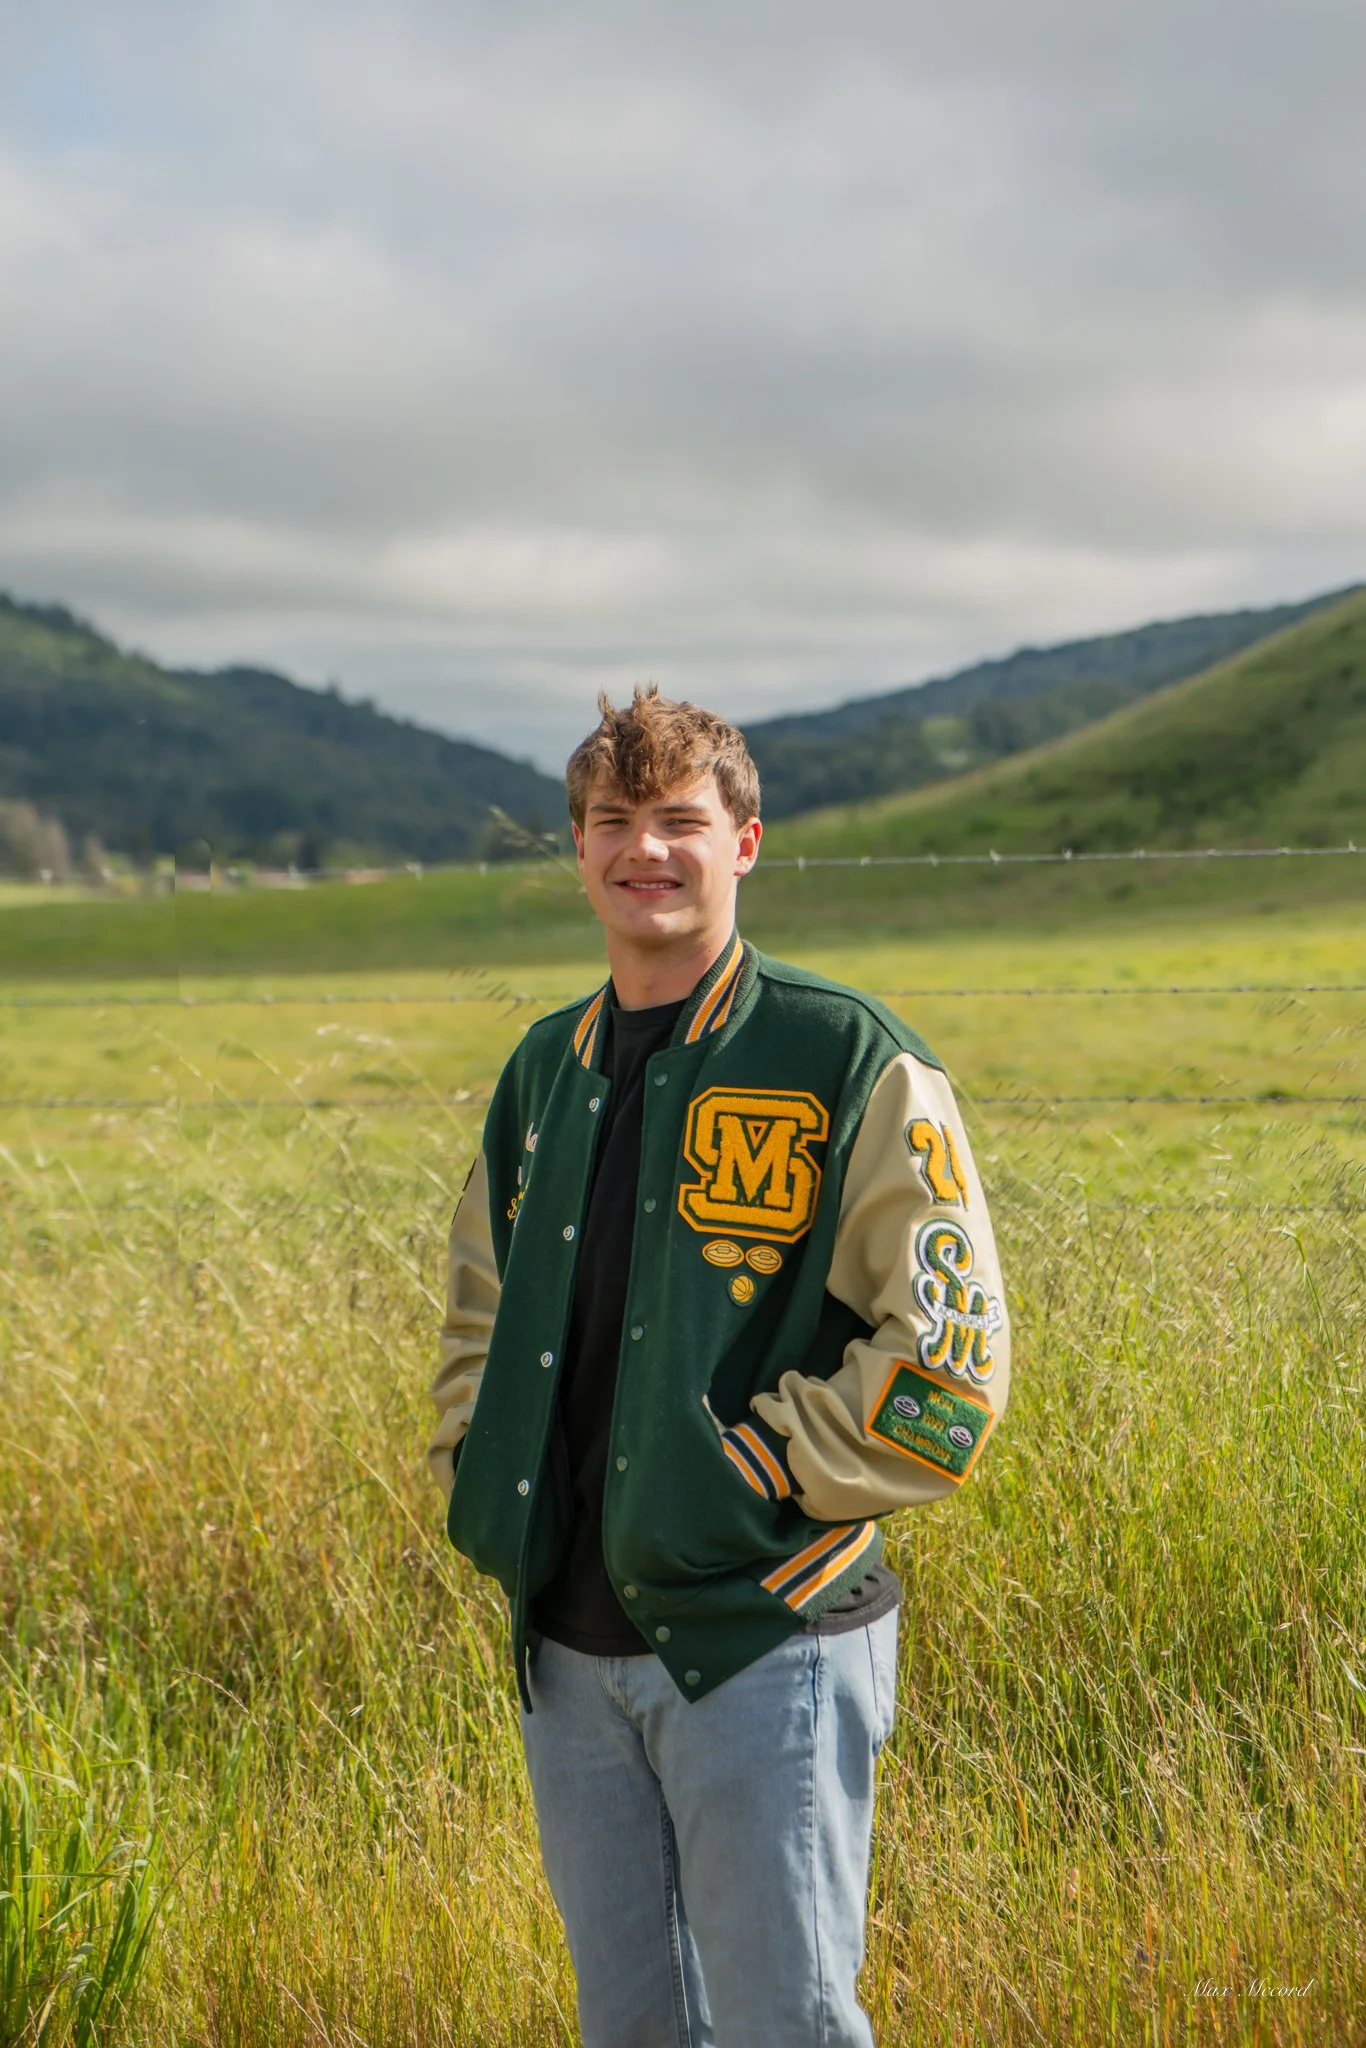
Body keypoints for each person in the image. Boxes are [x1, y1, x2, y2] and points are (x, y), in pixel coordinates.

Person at [430, 686, 1011, 2048]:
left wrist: (751, 1472)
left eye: (680, 820)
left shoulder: (841, 1055)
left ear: (744, 843)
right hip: (566, 1652)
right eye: (614, 821)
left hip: (764, 1641)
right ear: (577, 849)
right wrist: (477, 1464)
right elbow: (479, 1309)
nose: (647, 849)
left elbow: (950, 1366)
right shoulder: (542, 1070)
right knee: (628, 2030)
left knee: (785, 2026)